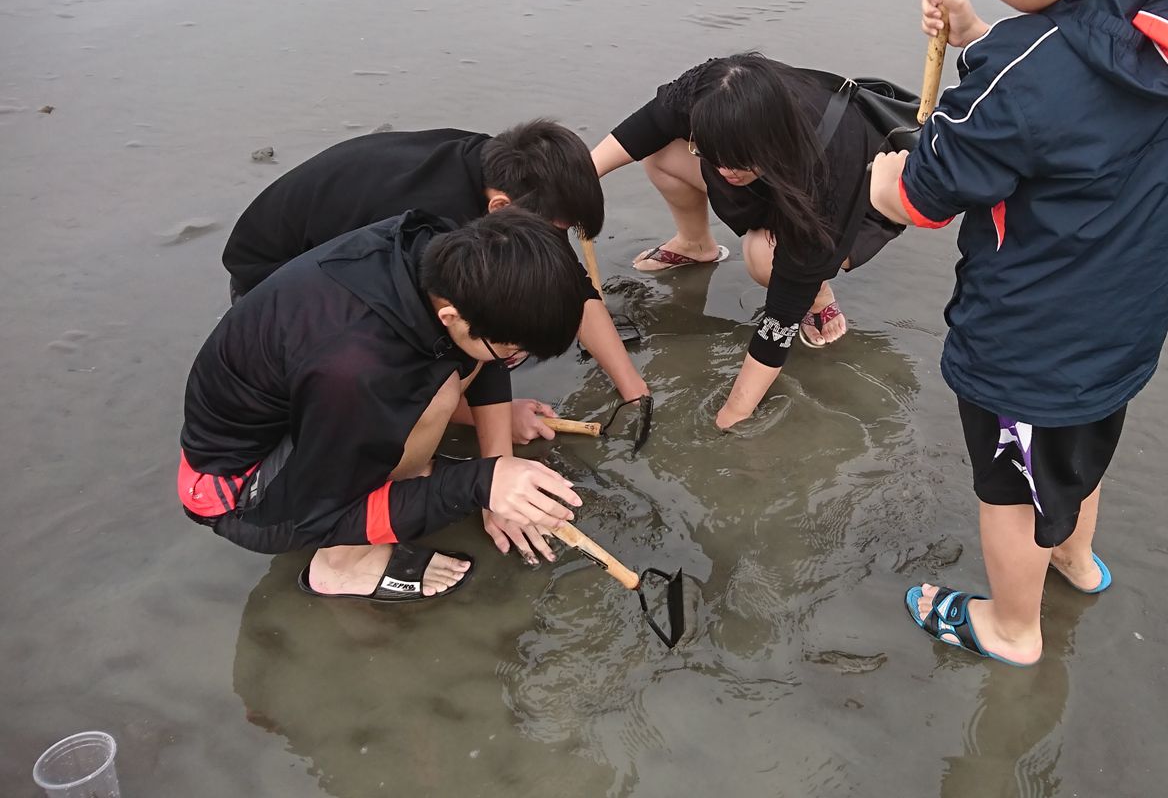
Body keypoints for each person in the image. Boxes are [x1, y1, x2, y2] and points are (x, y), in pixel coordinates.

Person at [869, 0, 1168, 665]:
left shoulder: (1025, 81)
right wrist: (979, 36)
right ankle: (1075, 560)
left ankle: (1011, 627)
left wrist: (882, 175)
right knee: (1076, 453)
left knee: (1011, 489)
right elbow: (1070, 87)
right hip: (1123, 318)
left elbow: (925, 194)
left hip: (1029, 342)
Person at [180, 209, 593, 599]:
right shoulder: (355, 371)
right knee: (436, 394)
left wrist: (497, 460)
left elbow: (483, 347)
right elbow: (318, 511)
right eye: (512, 352)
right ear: (450, 317)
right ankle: (343, 566)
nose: (513, 361)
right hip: (235, 491)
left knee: (449, 375)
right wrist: (480, 483)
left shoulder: (440, 251)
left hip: (302, 408)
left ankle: (406, 473)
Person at [220, 120, 651, 439]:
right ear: (500, 209)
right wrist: (496, 427)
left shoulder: (504, 169)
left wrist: (633, 389)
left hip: (336, 250)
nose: (557, 242)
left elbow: (570, 283)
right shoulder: (433, 227)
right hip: (271, 284)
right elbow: (470, 336)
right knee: (454, 347)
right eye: (555, 231)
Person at [590, 53, 903, 429]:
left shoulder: (830, 169)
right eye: (711, 156)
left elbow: (779, 319)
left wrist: (735, 412)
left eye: (736, 162)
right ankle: (694, 244)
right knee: (658, 153)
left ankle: (818, 293)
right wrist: (577, 180)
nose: (724, 171)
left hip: (853, 201)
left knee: (764, 257)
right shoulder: (711, 91)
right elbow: (651, 124)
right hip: (769, 176)